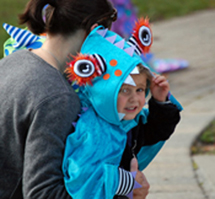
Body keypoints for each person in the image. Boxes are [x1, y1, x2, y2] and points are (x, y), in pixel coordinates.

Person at [0, 0, 150, 198]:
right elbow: (43, 193)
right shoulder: (57, 97)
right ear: (96, 29)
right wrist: (122, 187)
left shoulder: (11, 62)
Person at [62, 20, 182, 199]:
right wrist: (127, 181)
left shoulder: (125, 120)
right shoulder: (94, 131)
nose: (134, 98)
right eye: (124, 90)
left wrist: (160, 101)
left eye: (140, 90)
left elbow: (154, 132)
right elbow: (83, 179)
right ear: (105, 91)